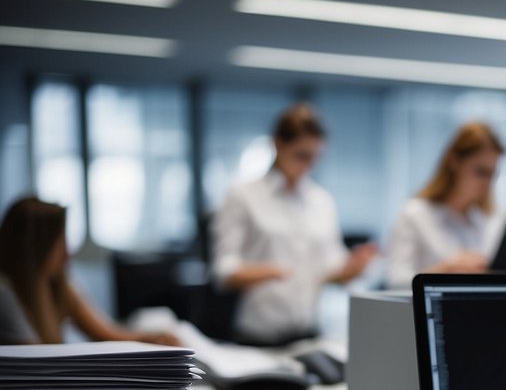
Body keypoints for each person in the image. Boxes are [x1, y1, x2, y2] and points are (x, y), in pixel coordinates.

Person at [212, 103, 377, 345]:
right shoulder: (242, 196)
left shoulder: (322, 201)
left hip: (309, 334)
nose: (308, 165)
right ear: (278, 144)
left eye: (315, 157)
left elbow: (330, 267)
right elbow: (223, 270)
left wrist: (352, 268)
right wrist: (268, 271)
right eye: (301, 155)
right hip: (258, 338)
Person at [0, 196, 179, 346]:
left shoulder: (58, 285)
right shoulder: (4, 294)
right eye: (58, 244)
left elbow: (107, 334)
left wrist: (155, 337)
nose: (67, 254)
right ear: (35, 249)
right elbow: (32, 362)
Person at [386, 121, 506, 287]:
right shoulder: (415, 214)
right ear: (454, 162)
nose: (488, 183)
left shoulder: (490, 220)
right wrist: (446, 269)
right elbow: (396, 281)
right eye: (481, 172)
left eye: (493, 174)